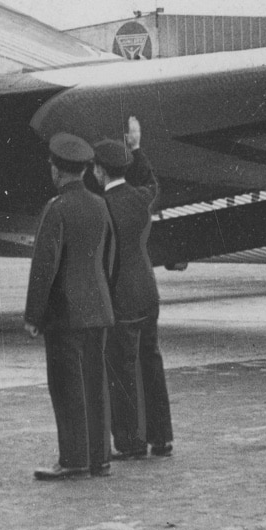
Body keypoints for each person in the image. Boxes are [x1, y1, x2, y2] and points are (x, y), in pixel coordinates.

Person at [24, 132, 116, 481]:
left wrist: (34, 315)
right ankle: (99, 458)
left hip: (66, 313)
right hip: (98, 307)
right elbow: (107, 258)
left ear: (57, 170)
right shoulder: (100, 204)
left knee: (66, 388)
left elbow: (44, 267)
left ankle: (74, 459)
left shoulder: (56, 208)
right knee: (95, 384)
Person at [93, 117, 173, 460]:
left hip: (119, 296)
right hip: (146, 291)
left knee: (122, 369)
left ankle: (130, 440)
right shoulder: (140, 199)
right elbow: (151, 182)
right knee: (151, 362)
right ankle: (162, 437)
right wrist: (138, 148)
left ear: (99, 171)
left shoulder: (101, 208)